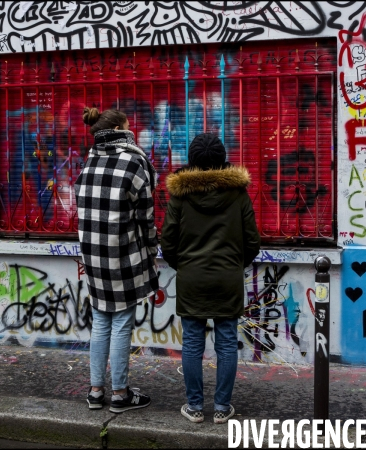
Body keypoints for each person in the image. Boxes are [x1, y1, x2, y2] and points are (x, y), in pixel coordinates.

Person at [160, 133, 261, 424]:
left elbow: (168, 241)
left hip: (192, 279)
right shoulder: (238, 194)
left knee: (192, 342)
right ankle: (221, 407)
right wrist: (233, 265)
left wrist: (185, 266)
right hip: (227, 279)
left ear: (192, 161)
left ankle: (194, 407)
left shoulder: (180, 196)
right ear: (221, 160)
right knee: (227, 342)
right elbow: (252, 242)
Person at [74, 107, 158, 413]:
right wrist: (151, 253)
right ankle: (121, 394)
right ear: (123, 128)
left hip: (93, 256)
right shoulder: (135, 161)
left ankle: (96, 391)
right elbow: (146, 218)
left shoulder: (90, 161)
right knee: (122, 322)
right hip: (123, 255)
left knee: (100, 321)